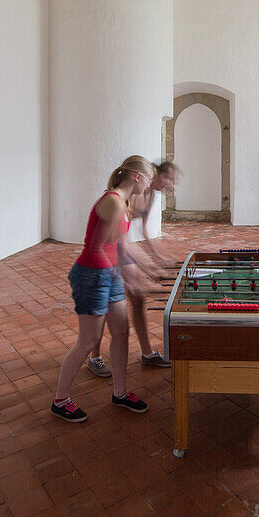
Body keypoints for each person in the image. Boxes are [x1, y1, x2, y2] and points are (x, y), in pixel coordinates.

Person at [50, 156, 155, 422]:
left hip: (109, 274)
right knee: (88, 340)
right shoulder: (112, 202)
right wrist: (115, 276)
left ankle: (120, 393)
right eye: (149, 178)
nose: (150, 184)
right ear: (136, 176)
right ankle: (60, 400)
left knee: (121, 331)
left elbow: (122, 248)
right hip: (93, 275)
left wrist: (143, 273)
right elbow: (95, 247)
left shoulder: (124, 204)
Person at [85, 161, 181, 377]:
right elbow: (120, 243)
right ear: (155, 176)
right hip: (112, 250)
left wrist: (163, 259)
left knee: (138, 298)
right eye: (169, 179)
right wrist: (147, 267)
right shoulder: (132, 194)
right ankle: (95, 357)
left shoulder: (151, 195)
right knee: (106, 305)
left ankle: (147, 353)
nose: (171, 185)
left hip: (124, 247)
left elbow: (145, 234)